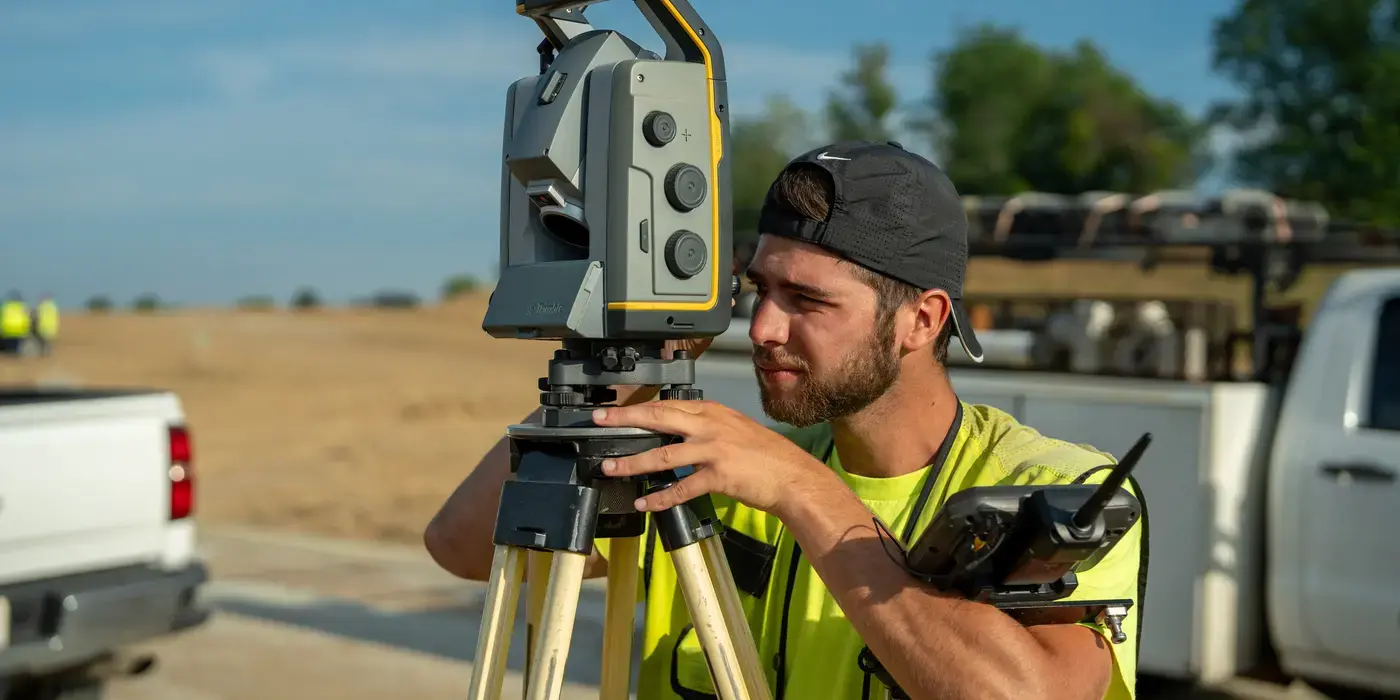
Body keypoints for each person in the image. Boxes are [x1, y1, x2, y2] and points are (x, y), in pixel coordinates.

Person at [424, 141, 1146, 700]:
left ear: (922, 320)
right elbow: (461, 546)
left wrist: (806, 494)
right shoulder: (719, 469)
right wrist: (628, 377)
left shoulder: (1058, 490)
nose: (763, 326)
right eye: (759, 289)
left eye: (808, 299)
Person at [0, 291, 31, 356]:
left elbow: (1, 318)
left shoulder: (5, 307)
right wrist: (26, 331)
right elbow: (27, 320)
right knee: (15, 348)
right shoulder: (23, 307)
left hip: (7, 330)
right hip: (19, 331)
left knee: (8, 348)